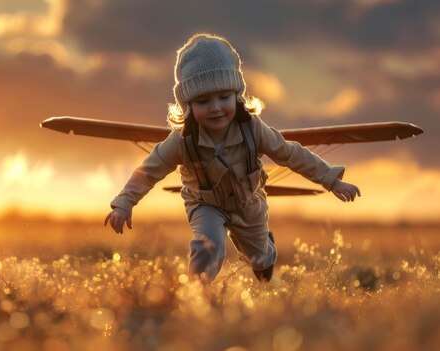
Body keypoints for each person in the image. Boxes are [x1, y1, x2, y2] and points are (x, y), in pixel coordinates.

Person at [104, 33, 361, 283]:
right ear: (188, 106)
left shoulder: (254, 129)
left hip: (248, 202)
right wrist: (125, 203)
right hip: (205, 204)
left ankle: (264, 258)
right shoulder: (182, 140)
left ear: (238, 96)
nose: (215, 107)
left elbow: (292, 153)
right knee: (208, 245)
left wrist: (332, 180)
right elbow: (149, 170)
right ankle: (196, 295)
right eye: (204, 101)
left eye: (224, 97)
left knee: (260, 258)